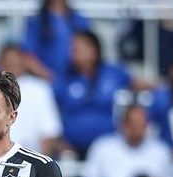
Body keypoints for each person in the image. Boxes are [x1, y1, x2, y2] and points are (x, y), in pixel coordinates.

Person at [54, 29, 133, 158]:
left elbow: (136, 84)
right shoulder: (64, 78)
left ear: (94, 49)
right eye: (73, 49)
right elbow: (52, 114)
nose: (74, 53)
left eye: (78, 48)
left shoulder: (114, 73)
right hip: (73, 147)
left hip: (109, 146)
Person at [22, 0, 90, 81]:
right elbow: (28, 57)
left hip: (75, 81)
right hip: (44, 83)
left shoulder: (80, 20)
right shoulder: (36, 21)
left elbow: (88, 53)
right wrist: (50, 78)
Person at [0, 42, 63, 156]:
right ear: (0, 64)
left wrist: (38, 168)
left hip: (32, 159)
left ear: (23, 63)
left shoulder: (40, 89)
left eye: (15, 61)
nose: (12, 65)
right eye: (8, 62)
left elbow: (49, 133)